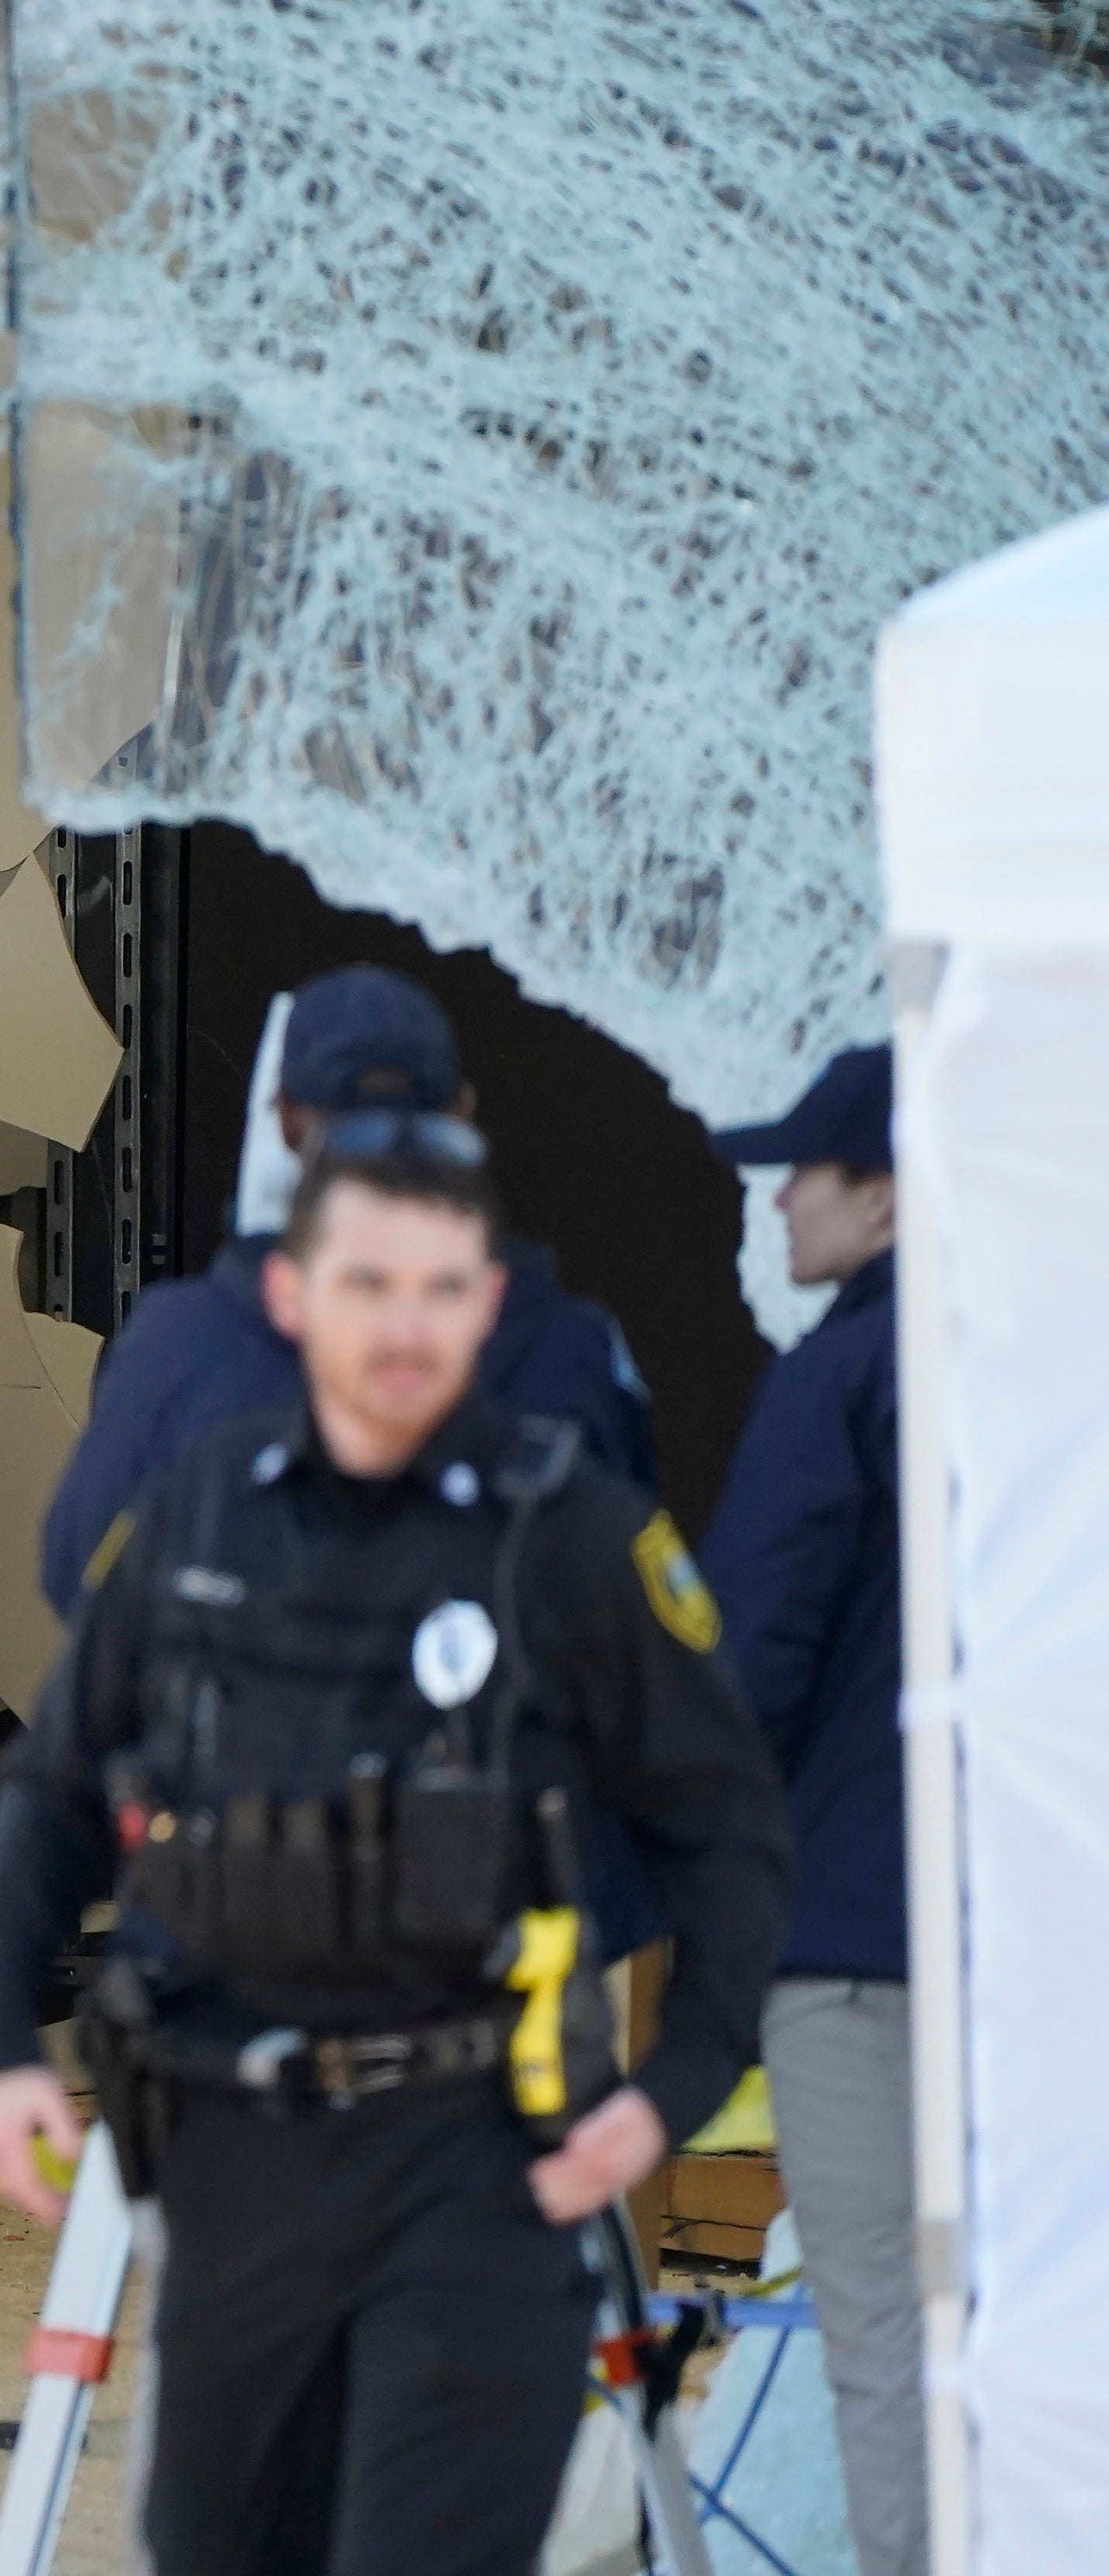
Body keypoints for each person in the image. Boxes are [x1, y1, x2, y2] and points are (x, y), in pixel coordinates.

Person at [0, 1116, 792, 2576]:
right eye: (365, 1284)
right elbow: (51, 1783)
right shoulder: (197, 1513)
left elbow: (726, 1830)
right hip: (232, 2158)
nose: (402, 1327)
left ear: (485, 1300)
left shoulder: (571, 1541)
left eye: (439, 1287)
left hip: (472, 2164)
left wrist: (668, 2088)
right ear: (290, 1296)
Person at [36, 966, 656, 1606]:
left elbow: (76, 1574)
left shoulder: (177, 1341)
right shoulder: (576, 1342)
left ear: (285, 1123)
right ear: (463, 1114)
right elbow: (633, 1577)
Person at [699, 1044, 917, 2576]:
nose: (777, 1196)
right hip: (1039, 1940)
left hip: (853, 1942)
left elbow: (740, 1667)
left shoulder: (835, 1378)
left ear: (888, 1193)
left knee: (886, 2323)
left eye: (808, 1170)